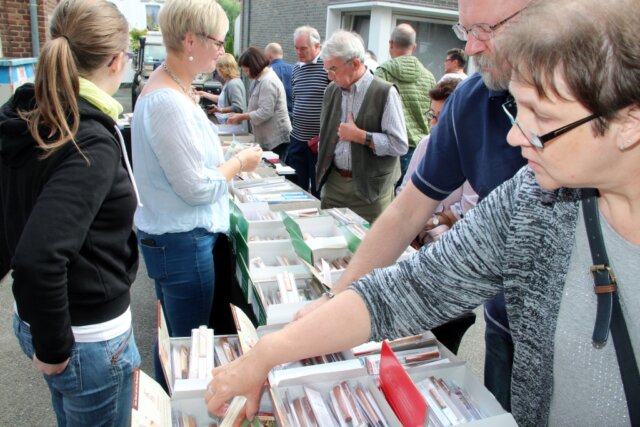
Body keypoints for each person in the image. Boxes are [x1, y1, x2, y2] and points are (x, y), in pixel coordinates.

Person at [206, 1, 640, 425]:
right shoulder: (530, 198)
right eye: (517, 109)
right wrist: (267, 353)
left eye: (540, 117)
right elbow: (407, 288)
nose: (512, 137)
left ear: (629, 122)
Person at [301, 0, 532, 412]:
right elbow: (406, 211)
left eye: (487, 30)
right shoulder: (473, 102)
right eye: (466, 32)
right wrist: (340, 296)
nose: (473, 49)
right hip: (502, 321)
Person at [0, 0, 141, 424]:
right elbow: (38, 257)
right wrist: (54, 347)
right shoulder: (89, 141)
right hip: (86, 337)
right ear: (117, 61)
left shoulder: (31, 111)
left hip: (48, 320)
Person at [132, 0, 263, 389]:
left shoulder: (175, 88)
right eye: (219, 42)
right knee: (189, 346)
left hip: (181, 239)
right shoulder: (168, 101)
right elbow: (196, 187)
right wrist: (238, 163)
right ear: (191, 40)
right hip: (184, 241)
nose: (223, 51)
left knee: (179, 339)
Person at [316, 30, 408, 224]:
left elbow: (400, 145)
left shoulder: (385, 92)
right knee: (331, 244)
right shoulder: (331, 91)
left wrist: (361, 136)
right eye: (327, 70)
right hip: (334, 185)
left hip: (370, 191)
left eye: (333, 69)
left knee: (369, 248)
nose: (330, 76)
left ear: (355, 63)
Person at [375, 23, 437, 184]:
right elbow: (434, 115)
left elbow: (375, 112)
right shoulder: (429, 77)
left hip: (391, 150)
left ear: (391, 44)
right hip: (420, 150)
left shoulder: (382, 73)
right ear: (414, 47)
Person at [287, 26, 330, 195]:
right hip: (297, 139)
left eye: (303, 48)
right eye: (296, 48)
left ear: (317, 46)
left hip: (317, 143)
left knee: (318, 190)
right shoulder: (296, 68)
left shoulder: (327, 68)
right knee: (296, 187)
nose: (299, 52)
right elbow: (295, 99)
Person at [227, 47, 291, 158]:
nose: (246, 74)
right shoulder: (260, 79)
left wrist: (242, 117)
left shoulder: (268, 81)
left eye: (247, 70)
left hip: (276, 139)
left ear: (254, 66)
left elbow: (265, 112)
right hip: (268, 136)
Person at [197, 53, 246, 119]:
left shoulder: (233, 84)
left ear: (223, 69)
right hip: (228, 124)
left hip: (232, 126)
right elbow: (222, 99)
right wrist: (204, 94)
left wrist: (220, 110)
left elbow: (238, 107)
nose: (218, 71)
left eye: (218, 69)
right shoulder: (230, 81)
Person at [264, 42, 294, 119]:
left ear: (269, 56)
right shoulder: (294, 69)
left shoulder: (266, 73)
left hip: (275, 119)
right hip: (294, 118)